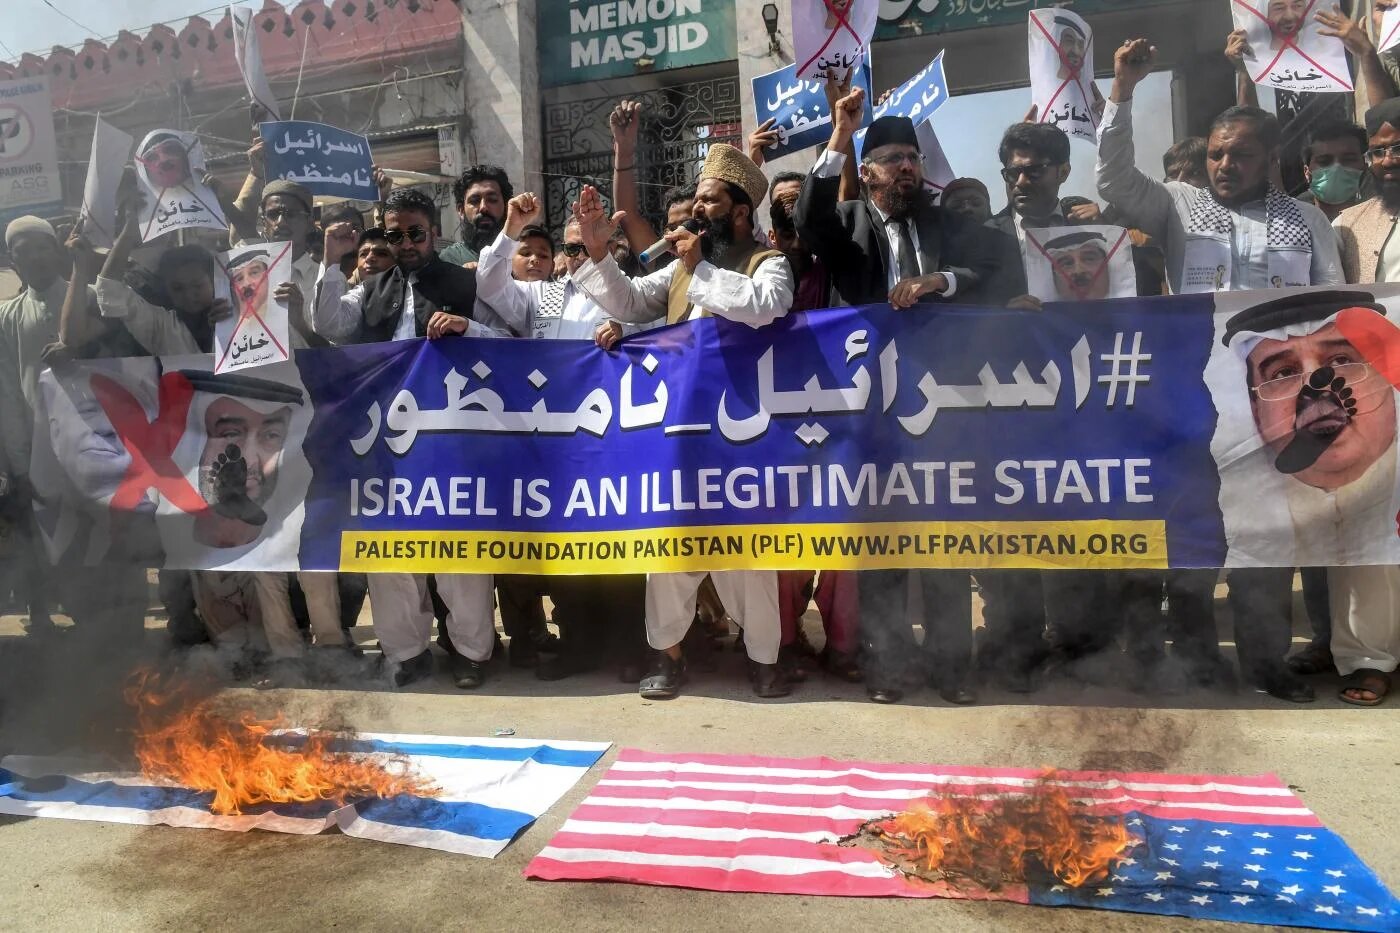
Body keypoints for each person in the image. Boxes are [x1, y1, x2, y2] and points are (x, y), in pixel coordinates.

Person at [1100, 37, 1344, 703]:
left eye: (1239, 155)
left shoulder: (1307, 221)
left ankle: (1266, 663)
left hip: (1277, 405)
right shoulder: (1178, 205)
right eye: (1215, 154)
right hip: (1194, 403)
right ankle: (1198, 662)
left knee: (1266, 537)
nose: (1224, 165)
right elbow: (1114, 182)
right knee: (1195, 533)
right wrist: (1123, 90)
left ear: (1271, 159)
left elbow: (1333, 308)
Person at [796, 95, 1011, 705]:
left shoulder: (947, 223)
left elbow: (993, 261)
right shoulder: (849, 223)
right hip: (872, 408)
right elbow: (808, 219)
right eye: (893, 159)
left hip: (942, 406)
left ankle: (951, 667)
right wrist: (839, 135)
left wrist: (940, 281)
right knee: (883, 542)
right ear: (867, 173)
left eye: (912, 158)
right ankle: (888, 665)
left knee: (941, 540)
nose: (907, 168)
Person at [568, 143, 795, 700]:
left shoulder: (768, 263)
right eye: (695, 198)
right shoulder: (678, 269)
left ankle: (764, 660)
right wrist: (598, 250)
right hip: (678, 432)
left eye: (708, 200)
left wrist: (701, 268)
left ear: (739, 211)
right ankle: (668, 657)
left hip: (742, 432)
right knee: (669, 546)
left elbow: (767, 305)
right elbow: (629, 301)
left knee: (749, 553)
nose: (696, 209)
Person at [316, 187, 499, 689]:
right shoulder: (370, 287)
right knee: (389, 552)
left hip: (451, 438)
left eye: (415, 233)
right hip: (384, 441)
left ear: (433, 232)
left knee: (459, 554)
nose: (405, 244)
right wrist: (331, 261)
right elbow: (329, 323)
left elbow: (510, 343)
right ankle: (407, 652)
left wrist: (468, 328)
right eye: (394, 235)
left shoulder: (466, 283)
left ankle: (472, 653)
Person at [473, 192, 650, 682]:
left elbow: (662, 340)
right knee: (566, 552)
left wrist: (627, 334)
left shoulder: (631, 294)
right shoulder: (543, 296)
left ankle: (629, 648)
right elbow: (489, 282)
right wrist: (511, 227)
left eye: (588, 245)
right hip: (556, 447)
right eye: (570, 248)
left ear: (610, 245)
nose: (577, 256)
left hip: (617, 443)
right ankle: (578, 645)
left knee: (619, 551)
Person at [1217, 290, 1400, 706]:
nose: (1316, 385)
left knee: (1376, 550)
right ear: (1254, 406)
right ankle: (1317, 647)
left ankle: (1369, 660)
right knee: (1278, 547)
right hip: (1275, 485)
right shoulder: (1248, 482)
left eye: (1341, 360)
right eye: (1283, 372)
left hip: (1385, 481)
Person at [439, 165, 512, 267]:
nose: (483, 207)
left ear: (507, 206)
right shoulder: (450, 260)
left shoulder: (523, 253)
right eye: (474, 201)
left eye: (492, 200)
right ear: (461, 210)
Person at [1299, 120, 1370, 221]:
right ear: (1307, 172)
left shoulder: (1383, 218)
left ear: (1365, 167)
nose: (1336, 168)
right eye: (1324, 161)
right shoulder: (1292, 222)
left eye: (1348, 159)